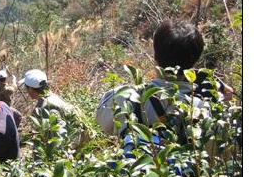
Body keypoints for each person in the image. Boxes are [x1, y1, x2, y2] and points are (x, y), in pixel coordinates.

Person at [96, 19, 231, 138]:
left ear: (155, 56)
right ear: (195, 61)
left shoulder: (122, 98)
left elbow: (100, 117)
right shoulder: (206, 106)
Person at [19, 69, 91, 153]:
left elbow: (59, 134)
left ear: (31, 89)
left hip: (65, 155)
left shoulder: (46, 108)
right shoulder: (53, 98)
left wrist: (62, 155)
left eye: (26, 88)